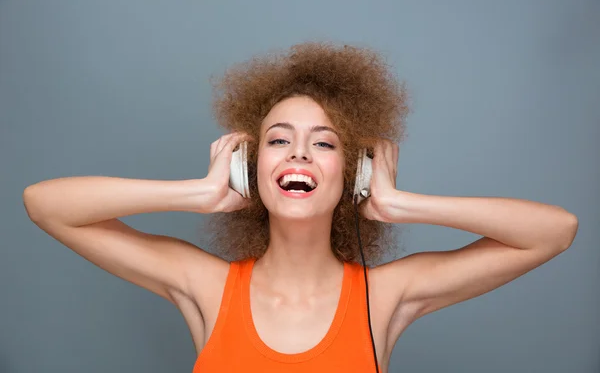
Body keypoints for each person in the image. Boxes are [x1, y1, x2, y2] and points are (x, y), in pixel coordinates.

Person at [22, 42, 579, 373]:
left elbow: (555, 231)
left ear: (353, 171)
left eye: (325, 142)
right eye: (279, 139)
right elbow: (45, 204)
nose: (300, 153)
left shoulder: (385, 297)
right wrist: (197, 193)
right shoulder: (207, 286)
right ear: (250, 165)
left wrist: (397, 202)